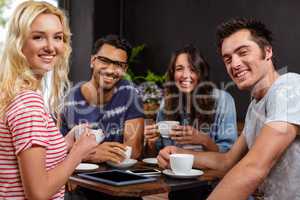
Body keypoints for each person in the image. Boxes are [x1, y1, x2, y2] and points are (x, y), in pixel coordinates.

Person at [158, 18, 300, 200]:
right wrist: (178, 153)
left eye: (243, 52)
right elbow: (226, 161)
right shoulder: (255, 107)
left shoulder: (289, 88)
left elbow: (253, 167)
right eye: (228, 59)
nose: (234, 64)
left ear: (267, 51)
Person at [0, 1, 98, 200]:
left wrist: (65, 143)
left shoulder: (12, 93)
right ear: (19, 43)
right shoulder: (29, 104)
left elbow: (27, 161)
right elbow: (38, 193)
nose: (51, 47)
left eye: (58, 37)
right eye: (38, 37)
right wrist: (78, 153)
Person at [144, 45, 238, 200]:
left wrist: (203, 140)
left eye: (192, 69)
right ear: (173, 73)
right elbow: (160, 154)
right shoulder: (166, 104)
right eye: (179, 68)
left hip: (214, 186)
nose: (185, 75)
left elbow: (229, 155)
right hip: (179, 186)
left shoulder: (222, 100)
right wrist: (151, 142)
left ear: (201, 72)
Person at [60, 35, 144, 164]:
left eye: (118, 65)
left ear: (125, 69)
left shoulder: (130, 94)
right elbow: (57, 152)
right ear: (92, 61)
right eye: (104, 61)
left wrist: (82, 152)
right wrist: (91, 154)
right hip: (76, 179)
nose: (111, 70)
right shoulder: (68, 100)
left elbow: (134, 150)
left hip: (115, 178)